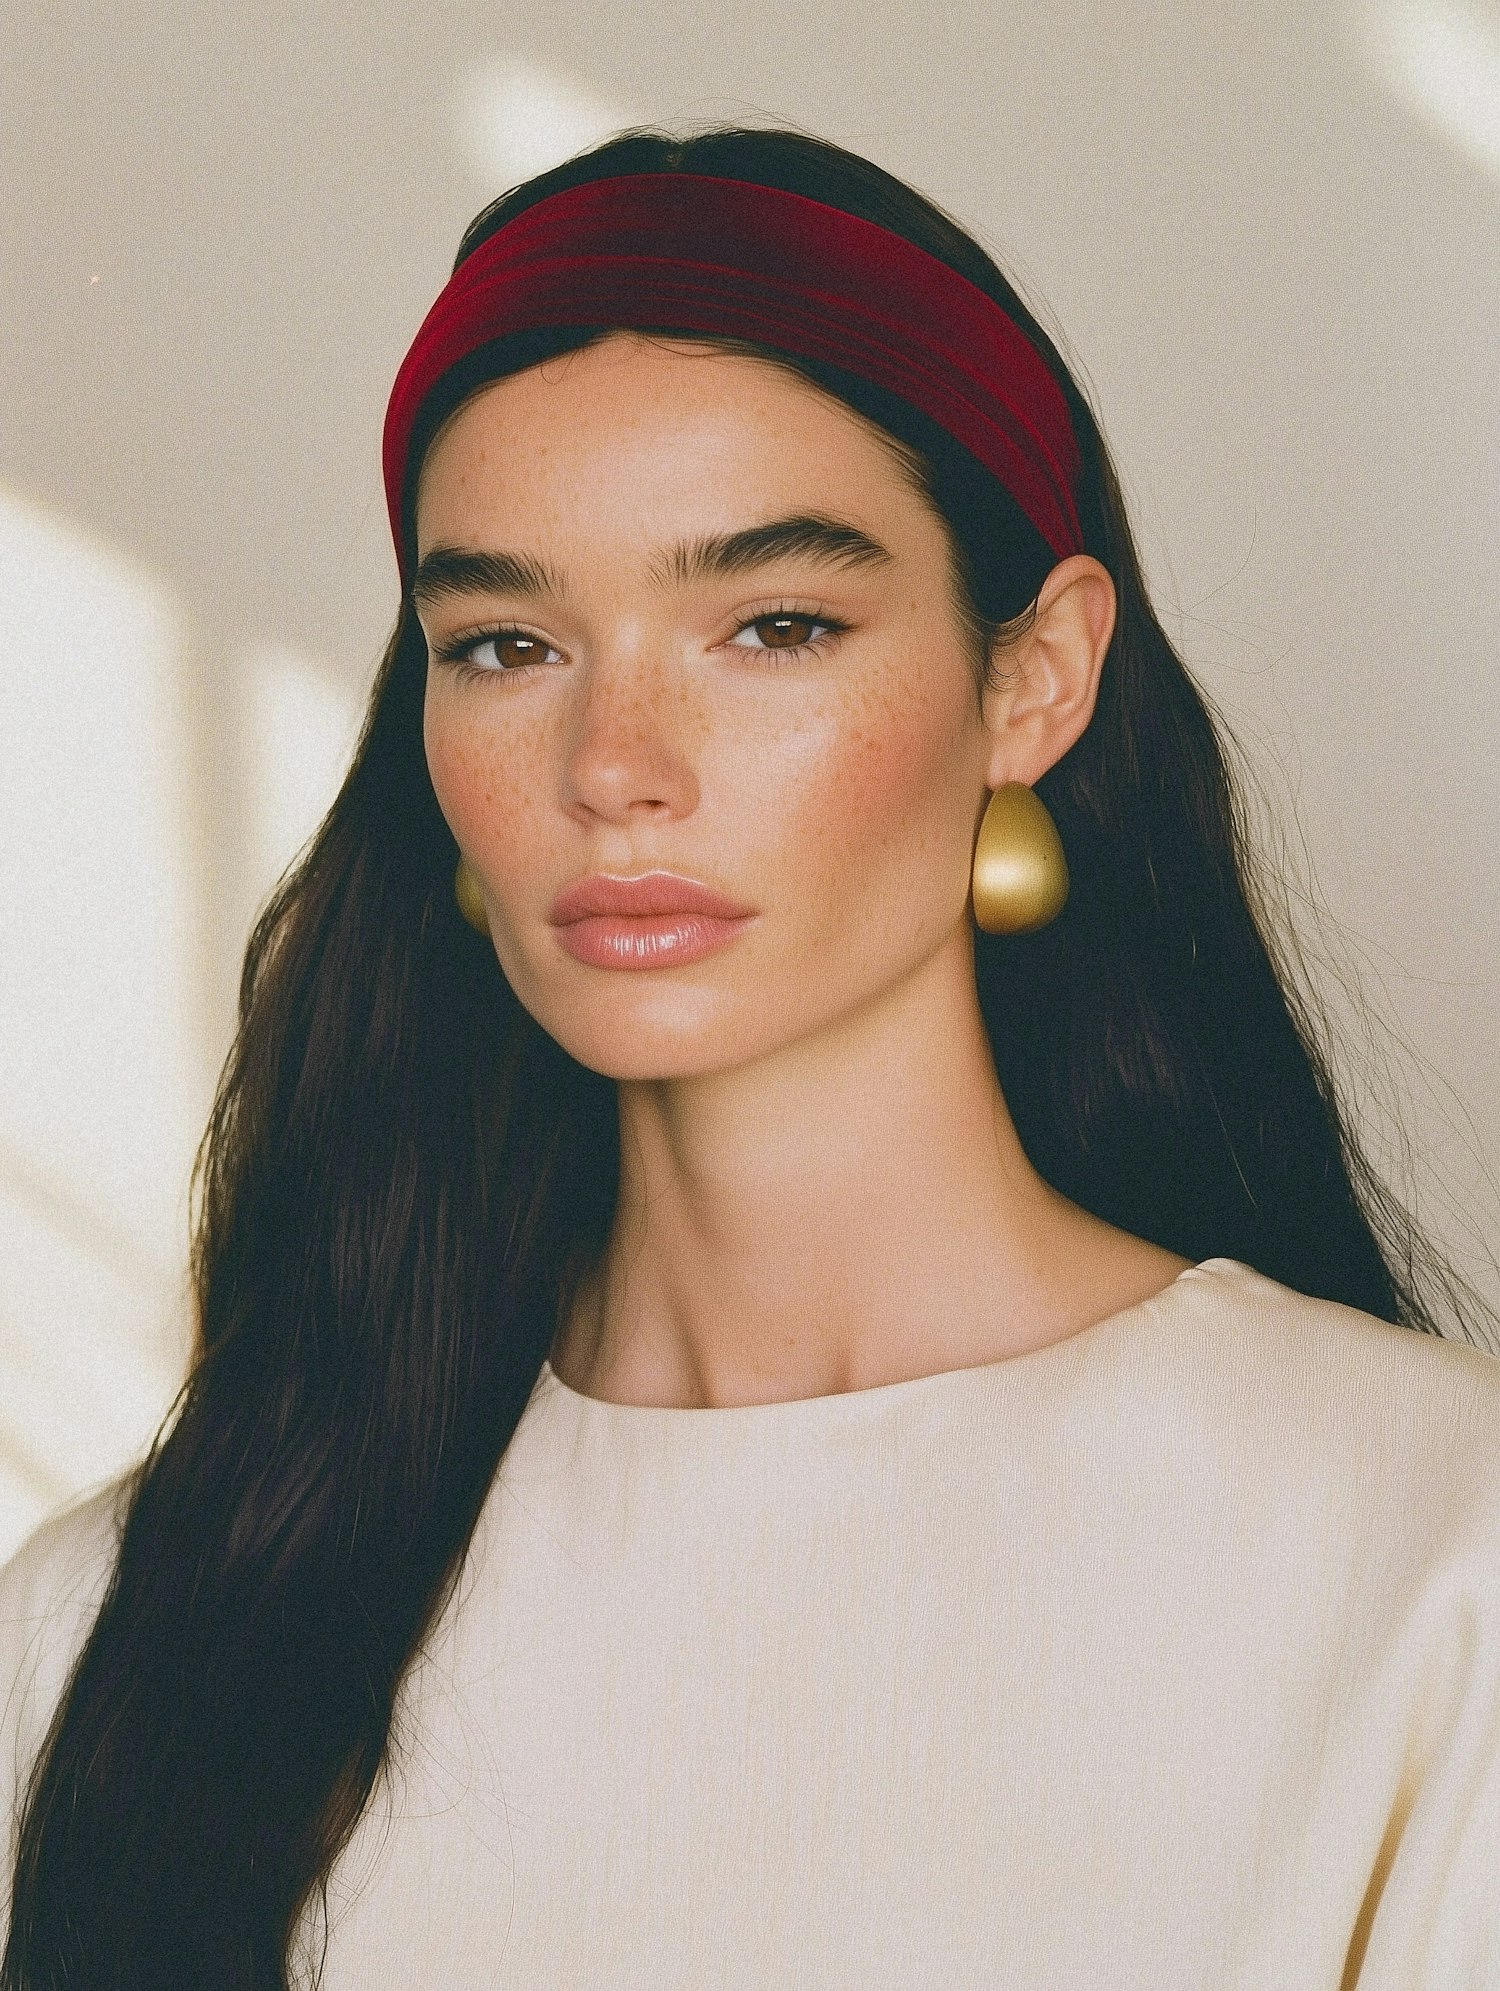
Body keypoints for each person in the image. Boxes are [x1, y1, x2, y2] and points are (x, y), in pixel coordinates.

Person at [2, 122, 1497, 1990]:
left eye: (774, 625)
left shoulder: (1436, 1546)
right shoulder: (124, 1626)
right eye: (506, 643)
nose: (614, 761)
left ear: (1031, 679)